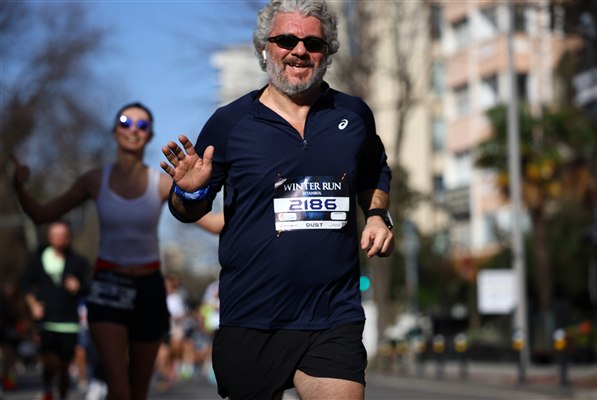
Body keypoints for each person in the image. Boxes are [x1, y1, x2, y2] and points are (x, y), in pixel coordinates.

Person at [160, 1, 395, 398]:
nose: (299, 50)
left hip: (332, 315)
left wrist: (376, 214)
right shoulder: (230, 123)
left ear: (327, 52)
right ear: (264, 48)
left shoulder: (353, 114)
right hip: (252, 316)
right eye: (286, 40)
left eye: (313, 43)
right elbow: (188, 210)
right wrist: (189, 190)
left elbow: (374, 170)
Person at [12, 101, 224, 400]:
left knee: (137, 392)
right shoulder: (94, 180)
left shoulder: (161, 183)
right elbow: (41, 215)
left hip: (149, 288)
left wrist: (258, 196)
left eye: (142, 125)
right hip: (108, 286)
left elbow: (213, 224)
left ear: (149, 135)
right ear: (115, 131)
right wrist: (19, 187)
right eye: (126, 122)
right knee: (119, 390)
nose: (133, 130)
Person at [22, 220, 91, 400]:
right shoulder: (38, 260)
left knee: (64, 364)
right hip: (46, 320)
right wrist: (33, 305)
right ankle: (47, 389)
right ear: (49, 237)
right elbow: (26, 286)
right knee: (49, 360)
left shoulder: (78, 262)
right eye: (55, 235)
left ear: (68, 237)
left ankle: (62, 395)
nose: (59, 239)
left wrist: (78, 286)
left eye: (63, 235)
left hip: (69, 322)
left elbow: (89, 286)